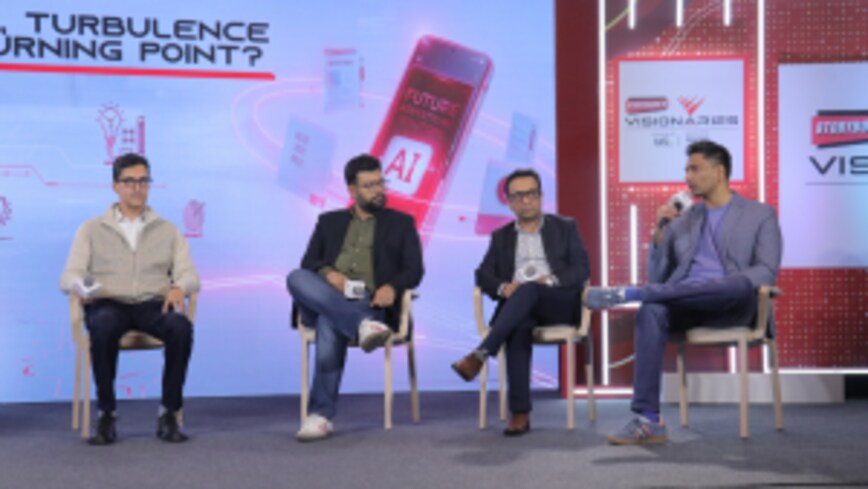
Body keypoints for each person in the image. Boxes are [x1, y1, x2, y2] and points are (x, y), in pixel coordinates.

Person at [584, 140, 782, 445]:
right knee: (652, 309)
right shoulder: (685, 221)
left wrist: (728, 284)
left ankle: (633, 295)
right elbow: (659, 277)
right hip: (688, 305)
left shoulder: (760, 214)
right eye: (687, 170)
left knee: (739, 283)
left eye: (695, 169)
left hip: (734, 304)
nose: (687, 177)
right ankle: (649, 420)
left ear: (719, 172)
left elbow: (766, 271)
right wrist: (660, 233)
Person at [60, 153, 200, 445]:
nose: (137, 188)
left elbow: (189, 274)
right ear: (115, 186)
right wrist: (86, 289)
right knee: (103, 325)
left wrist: (179, 287)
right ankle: (106, 414)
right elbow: (70, 275)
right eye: (129, 182)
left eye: (143, 181)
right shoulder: (92, 229)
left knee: (180, 327)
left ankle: (169, 412)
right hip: (109, 302)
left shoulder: (167, 229)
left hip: (153, 303)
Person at [286, 154, 424, 442]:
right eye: (369, 186)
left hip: (368, 301)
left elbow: (414, 269)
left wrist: (392, 287)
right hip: (325, 295)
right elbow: (309, 262)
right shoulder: (329, 221)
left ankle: (320, 416)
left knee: (328, 321)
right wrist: (328, 274)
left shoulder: (401, 223)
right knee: (296, 277)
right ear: (352, 190)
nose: (378, 190)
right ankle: (360, 325)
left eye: (380, 183)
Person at [451, 169, 590, 436]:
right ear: (509, 202)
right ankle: (520, 413)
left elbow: (581, 268)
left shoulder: (565, 227)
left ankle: (481, 354)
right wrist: (503, 287)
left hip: (558, 302)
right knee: (519, 324)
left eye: (531, 194)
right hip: (520, 308)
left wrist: (550, 280)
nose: (526, 200)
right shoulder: (501, 236)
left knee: (530, 289)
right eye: (519, 196)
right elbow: (483, 274)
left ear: (541, 196)